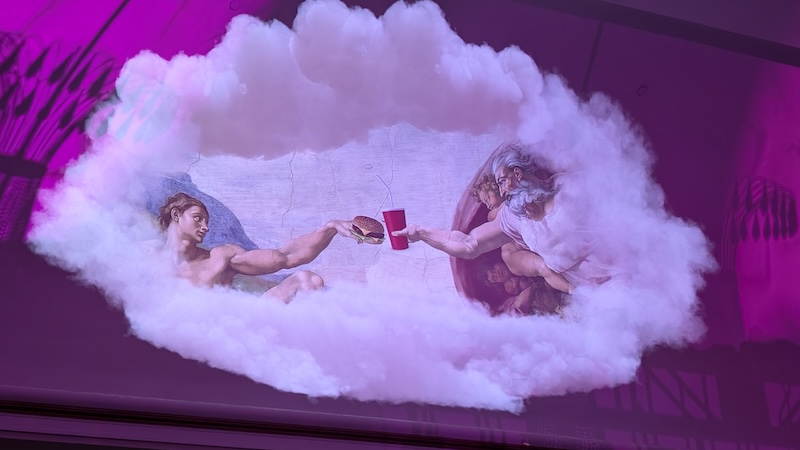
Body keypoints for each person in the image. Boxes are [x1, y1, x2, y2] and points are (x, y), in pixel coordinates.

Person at [394, 142, 574, 293]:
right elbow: (469, 243)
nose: (502, 191)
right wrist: (423, 233)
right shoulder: (511, 218)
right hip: (585, 290)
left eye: (502, 181)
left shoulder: (568, 187)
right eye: (499, 185)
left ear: (518, 174)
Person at [158, 193, 357, 302]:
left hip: (222, 343)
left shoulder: (220, 258)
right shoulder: (146, 257)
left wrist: (329, 229)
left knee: (307, 280)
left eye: (206, 221)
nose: (205, 227)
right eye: (198, 218)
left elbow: (285, 257)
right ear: (176, 215)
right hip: (165, 348)